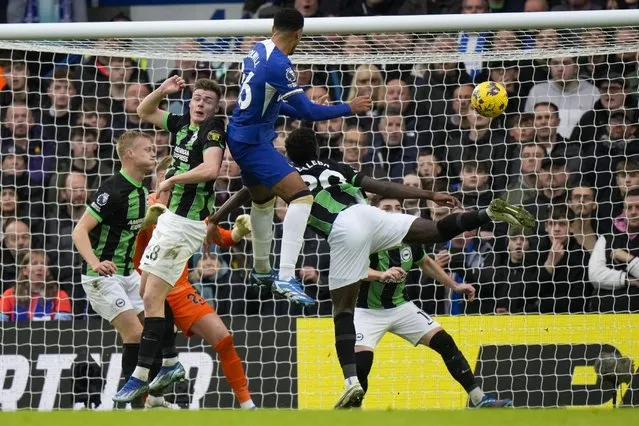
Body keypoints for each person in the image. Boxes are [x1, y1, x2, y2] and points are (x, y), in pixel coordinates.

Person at [209, 127, 534, 408]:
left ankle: (351, 381)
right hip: (369, 215)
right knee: (433, 232)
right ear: (318, 150)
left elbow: (244, 192)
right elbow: (382, 187)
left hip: (344, 231)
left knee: (342, 313)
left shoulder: (285, 176)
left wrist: (215, 217)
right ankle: (486, 215)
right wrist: (430, 193)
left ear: (288, 155)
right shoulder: (333, 166)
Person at [226, 7, 372, 304]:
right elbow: (307, 112)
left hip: (243, 135)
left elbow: (277, 104)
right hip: (254, 143)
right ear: (298, 35)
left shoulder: (257, 50)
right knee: (301, 196)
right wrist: (348, 107)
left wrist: (304, 101)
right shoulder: (281, 64)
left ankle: (263, 269)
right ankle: (286, 275)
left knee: (263, 200)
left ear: (273, 29)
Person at [114, 76, 226, 402]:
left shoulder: (213, 132)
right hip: (171, 220)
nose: (201, 104)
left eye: (208, 100)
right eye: (197, 98)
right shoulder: (179, 124)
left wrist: (172, 178)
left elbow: (211, 170)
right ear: (190, 101)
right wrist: (162, 91)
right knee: (146, 288)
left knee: (151, 297)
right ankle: (172, 362)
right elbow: (144, 111)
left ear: (215, 107)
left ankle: (141, 375)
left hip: (186, 223)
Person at [353, 197, 512, 408]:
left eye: (398, 207)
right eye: (387, 208)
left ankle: (478, 399)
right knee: (362, 364)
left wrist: (455, 286)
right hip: (367, 311)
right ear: (376, 211)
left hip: (400, 307)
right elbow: (353, 269)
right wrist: (380, 275)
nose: (394, 211)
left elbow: (425, 262)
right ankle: (353, 413)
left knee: (445, 342)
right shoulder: (364, 237)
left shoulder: (408, 236)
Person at [131, 156, 256, 409]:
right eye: (167, 179)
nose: (172, 185)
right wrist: (145, 222)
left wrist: (238, 232)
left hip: (180, 289)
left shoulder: (189, 210)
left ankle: (247, 405)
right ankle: (147, 404)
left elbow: (218, 235)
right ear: (160, 180)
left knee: (223, 338)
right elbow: (126, 239)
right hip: (147, 288)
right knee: (144, 346)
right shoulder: (144, 206)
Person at [72, 131, 158, 408]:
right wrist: (95, 262)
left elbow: (126, 227)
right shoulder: (112, 190)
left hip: (128, 274)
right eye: (147, 148)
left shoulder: (143, 190)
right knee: (134, 333)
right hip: (101, 276)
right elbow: (79, 231)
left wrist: (150, 220)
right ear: (129, 154)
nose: (153, 152)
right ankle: (135, 406)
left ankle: (153, 399)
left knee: (156, 328)